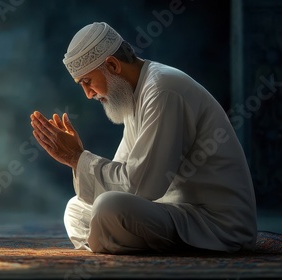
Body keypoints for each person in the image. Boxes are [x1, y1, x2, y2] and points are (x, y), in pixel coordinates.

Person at [30, 22, 257, 254]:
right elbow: (123, 177)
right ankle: (111, 240)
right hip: (175, 211)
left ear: (112, 65)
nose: (89, 95)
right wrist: (77, 158)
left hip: (214, 223)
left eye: (87, 82)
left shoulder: (161, 90)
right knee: (76, 208)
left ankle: (110, 241)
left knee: (109, 207)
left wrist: (77, 158)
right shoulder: (135, 94)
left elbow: (143, 186)